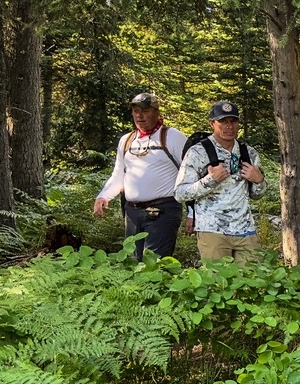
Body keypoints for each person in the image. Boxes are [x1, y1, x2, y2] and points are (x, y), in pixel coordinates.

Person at [94, 92, 189, 260]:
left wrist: (193, 213)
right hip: (132, 212)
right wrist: (103, 196)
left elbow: (191, 175)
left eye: (145, 111)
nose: (139, 116)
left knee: (154, 264)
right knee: (132, 263)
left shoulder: (172, 137)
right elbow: (119, 174)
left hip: (163, 211)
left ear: (157, 112)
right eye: (135, 111)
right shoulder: (127, 140)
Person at [174, 101, 267, 264]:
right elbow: (180, 193)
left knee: (253, 284)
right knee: (217, 285)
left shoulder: (248, 153)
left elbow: (257, 195)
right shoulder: (197, 152)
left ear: (238, 124)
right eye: (223, 121)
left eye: (233, 121)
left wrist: (258, 180)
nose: (229, 126)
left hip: (245, 230)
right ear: (212, 124)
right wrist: (210, 180)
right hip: (212, 231)